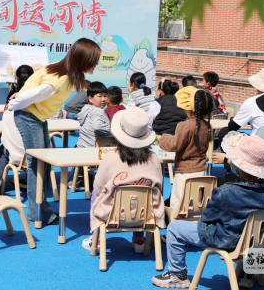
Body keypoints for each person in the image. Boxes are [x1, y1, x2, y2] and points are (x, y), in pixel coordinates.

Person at [151, 132, 264, 289]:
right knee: (255, 230)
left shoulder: (224, 192)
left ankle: (177, 275)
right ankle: (250, 273)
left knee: (175, 228)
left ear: (237, 165)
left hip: (228, 241)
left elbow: (206, 219)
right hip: (257, 243)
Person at [5, 38, 101, 226]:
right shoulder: (60, 80)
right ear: (84, 59)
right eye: (94, 60)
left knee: (43, 164)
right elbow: (37, 93)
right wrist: (15, 101)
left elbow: (34, 87)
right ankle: (36, 214)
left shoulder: (63, 71)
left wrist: (20, 95)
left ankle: (41, 209)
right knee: (37, 165)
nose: (96, 64)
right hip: (29, 116)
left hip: (36, 116)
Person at [82, 107, 165, 254]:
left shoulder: (110, 157)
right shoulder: (154, 159)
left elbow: (98, 188)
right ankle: (140, 239)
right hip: (147, 214)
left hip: (113, 213)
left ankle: (97, 239)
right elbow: (160, 187)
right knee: (143, 196)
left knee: (96, 195)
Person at [158, 87, 212, 212]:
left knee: (178, 207)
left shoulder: (185, 125)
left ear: (189, 107)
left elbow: (175, 145)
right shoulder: (207, 125)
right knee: (197, 206)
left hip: (184, 173)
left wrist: (162, 139)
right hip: (201, 171)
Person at [219, 67, 264, 137]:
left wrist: (233, 119)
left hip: (258, 140)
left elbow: (232, 126)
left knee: (224, 131)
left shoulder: (253, 102)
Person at [77, 81, 111, 148]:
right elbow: (97, 126)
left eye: (105, 96)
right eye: (100, 96)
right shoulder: (97, 111)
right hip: (93, 150)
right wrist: (115, 129)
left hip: (82, 147)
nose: (103, 99)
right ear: (90, 98)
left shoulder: (85, 109)